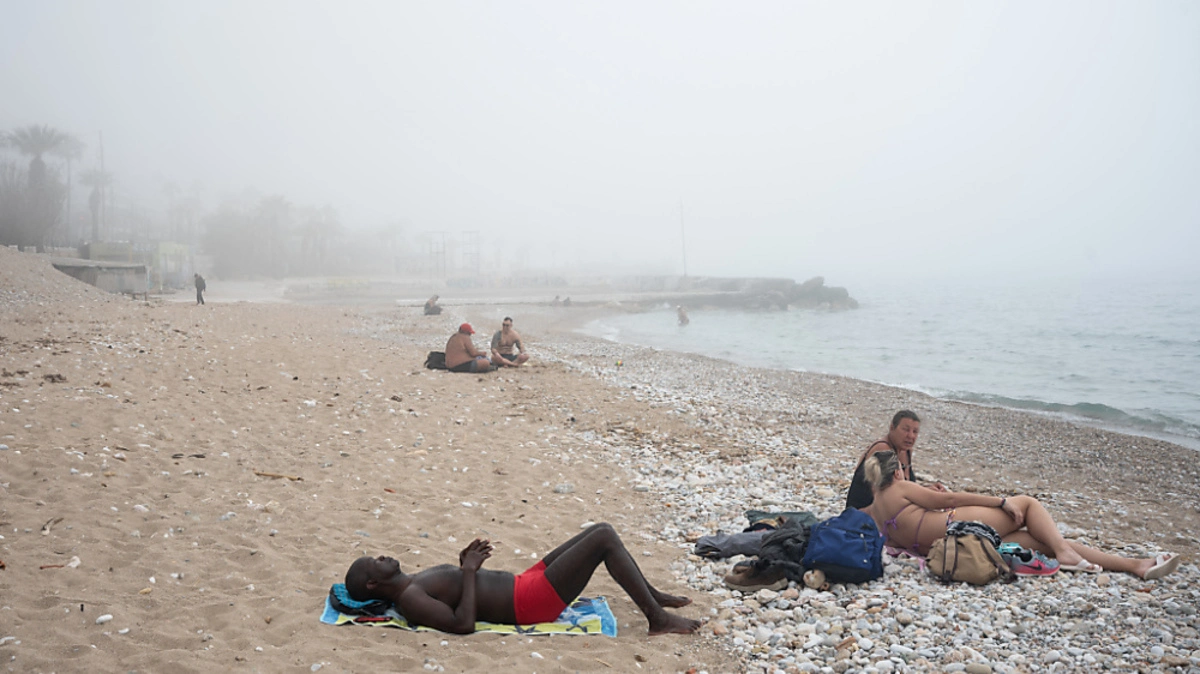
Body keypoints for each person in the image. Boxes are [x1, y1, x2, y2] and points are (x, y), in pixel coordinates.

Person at [859, 450, 1181, 579]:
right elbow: (950, 498)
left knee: (1040, 541)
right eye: (902, 469)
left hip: (949, 545)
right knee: (1026, 504)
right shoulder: (899, 488)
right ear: (897, 473)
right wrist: (999, 501)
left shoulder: (872, 509)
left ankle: (1135, 566)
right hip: (955, 525)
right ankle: (1068, 553)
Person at [344, 523, 701, 635]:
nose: (384, 556)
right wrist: (468, 571)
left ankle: (652, 597)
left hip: (523, 582)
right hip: (529, 603)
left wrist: (463, 566)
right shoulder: (409, 600)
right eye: (375, 562)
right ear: (373, 584)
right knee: (604, 539)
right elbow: (462, 624)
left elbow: (456, 592)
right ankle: (657, 619)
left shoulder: (411, 583)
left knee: (598, 531)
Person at [845, 410, 945, 509]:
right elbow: (891, 495)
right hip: (865, 514)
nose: (911, 436)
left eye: (915, 431)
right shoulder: (882, 450)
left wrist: (926, 489)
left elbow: (905, 486)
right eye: (906, 430)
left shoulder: (906, 451)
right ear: (892, 428)